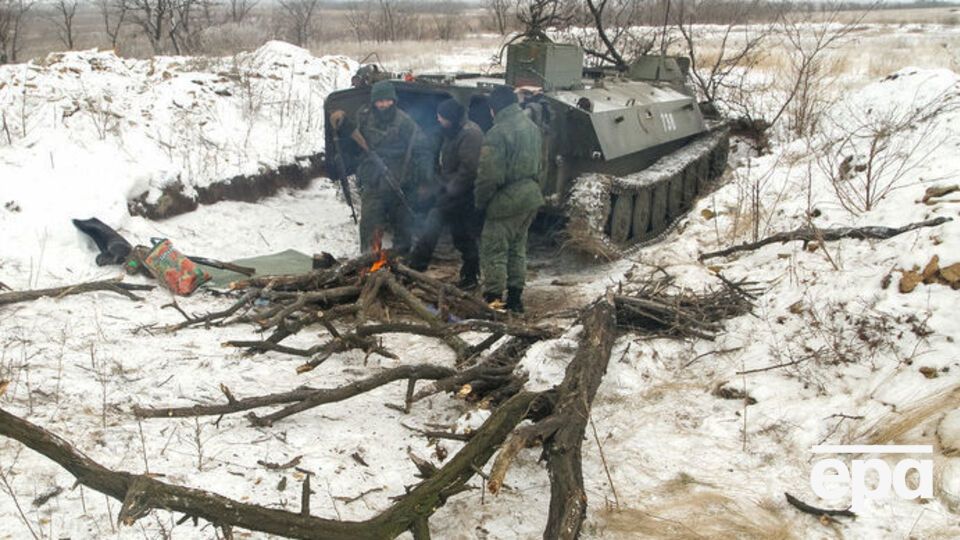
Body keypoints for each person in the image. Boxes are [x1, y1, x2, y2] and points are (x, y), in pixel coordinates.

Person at [330, 80, 430, 253]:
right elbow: (353, 141)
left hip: (399, 183)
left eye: (388, 100)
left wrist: (423, 179)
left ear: (394, 101)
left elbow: (422, 150)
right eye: (380, 101)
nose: (384, 105)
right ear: (374, 102)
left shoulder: (405, 122)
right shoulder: (364, 117)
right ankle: (368, 261)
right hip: (373, 182)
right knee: (369, 226)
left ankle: (401, 261)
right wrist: (342, 124)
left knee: (403, 230)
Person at [474, 86, 544, 313]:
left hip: (506, 200)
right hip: (530, 196)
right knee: (517, 248)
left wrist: (480, 203)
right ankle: (515, 299)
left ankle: (494, 300)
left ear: (494, 109)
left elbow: (489, 176)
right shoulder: (532, 127)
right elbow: (541, 165)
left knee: (494, 250)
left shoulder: (497, 133)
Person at [408, 98, 484, 289]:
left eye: (441, 117)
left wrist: (450, 190)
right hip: (452, 190)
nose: (439, 120)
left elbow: (469, 169)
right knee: (461, 234)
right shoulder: (452, 130)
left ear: (451, 118)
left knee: (438, 227)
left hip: (463, 193)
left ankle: (416, 268)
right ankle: (469, 275)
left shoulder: (471, 134)